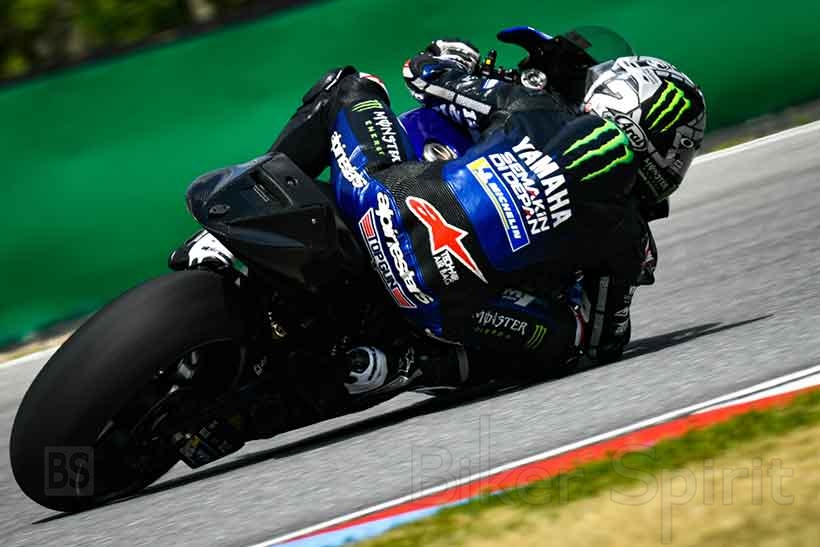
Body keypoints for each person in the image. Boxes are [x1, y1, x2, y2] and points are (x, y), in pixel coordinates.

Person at [220, 32, 706, 395]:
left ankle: (246, 205)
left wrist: (456, 57)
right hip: (450, 308)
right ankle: (411, 364)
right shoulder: (629, 236)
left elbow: (420, 73)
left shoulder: (531, 104)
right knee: (570, 337)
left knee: (350, 86)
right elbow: (603, 343)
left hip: (383, 213)